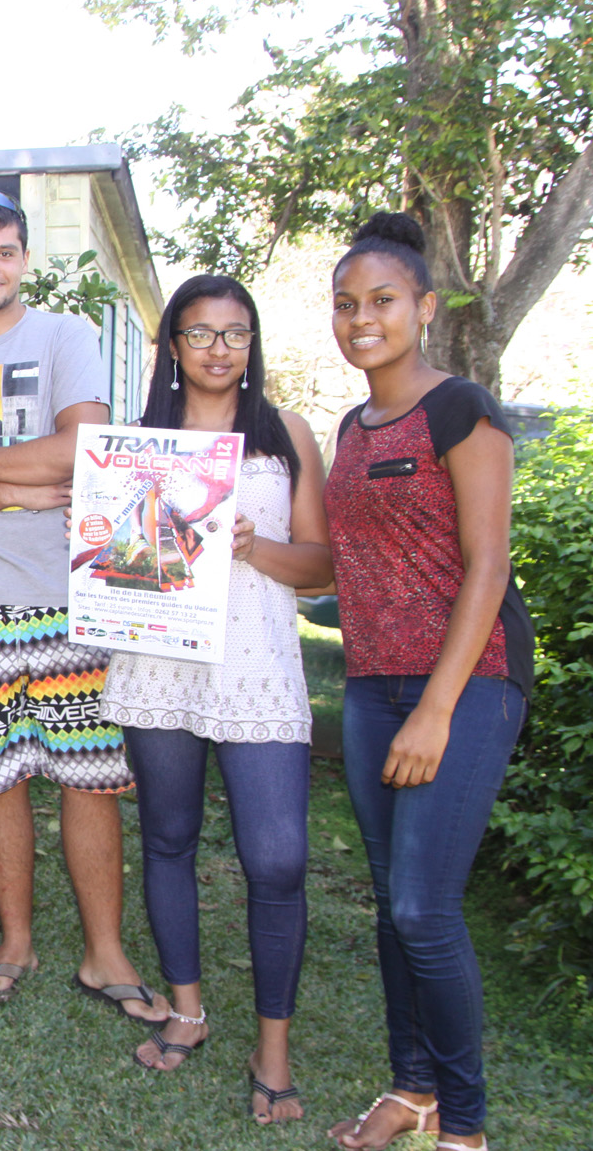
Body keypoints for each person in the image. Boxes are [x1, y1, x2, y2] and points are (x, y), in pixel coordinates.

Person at [0, 189, 168, 1022]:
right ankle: (15, 940)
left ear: (24, 257)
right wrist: (26, 482)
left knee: (89, 774)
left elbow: (83, 450)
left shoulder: (67, 335)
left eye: (5, 251)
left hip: (70, 593)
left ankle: (105, 950)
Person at [95, 275, 330, 1121]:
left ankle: (274, 1043)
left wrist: (255, 544)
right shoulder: (138, 444)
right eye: (201, 334)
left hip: (257, 666)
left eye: (236, 333)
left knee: (277, 858)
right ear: (174, 347)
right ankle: (186, 1008)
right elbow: (114, 556)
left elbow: (321, 566)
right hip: (162, 664)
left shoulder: (286, 435)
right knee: (168, 838)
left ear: (253, 343)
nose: (219, 349)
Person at [322, 213, 531, 1151]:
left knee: (423, 905)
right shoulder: (350, 426)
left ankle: (468, 1128)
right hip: (371, 685)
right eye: (347, 304)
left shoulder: (460, 409)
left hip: (468, 682)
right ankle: (411, 1090)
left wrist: (439, 709)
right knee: (388, 895)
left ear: (424, 307)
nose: (362, 318)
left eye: (382, 301)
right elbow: (337, 560)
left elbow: (488, 567)